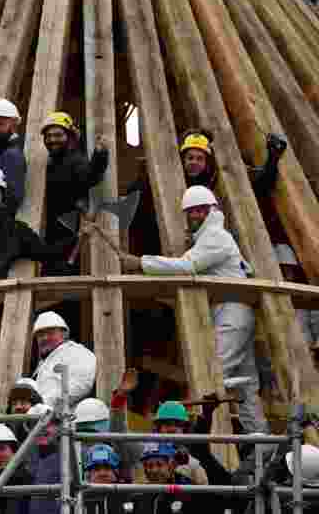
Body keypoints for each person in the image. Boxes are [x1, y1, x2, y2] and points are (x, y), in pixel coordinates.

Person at [111, 186, 268, 433]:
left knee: (213, 376)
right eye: (190, 211)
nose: (194, 215)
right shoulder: (211, 237)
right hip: (234, 313)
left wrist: (140, 262)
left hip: (232, 314)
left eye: (199, 211)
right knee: (245, 385)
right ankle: (262, 440)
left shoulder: (215, 236)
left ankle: (209, 440)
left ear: (211, 210)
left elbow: (188, 265)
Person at [42, 112, 109, 274]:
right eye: (48, 136)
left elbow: (90, 176)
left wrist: (100, 155)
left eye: (58, 135)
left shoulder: (74, 159)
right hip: (52, 230)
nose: (52, 140)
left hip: (66, 233)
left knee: (61, 275)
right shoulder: (54, 159)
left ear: (69, 136)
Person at [30, 311, 96, 409]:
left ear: (64, 334)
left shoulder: (77, 352)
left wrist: (44, 403)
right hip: (41, 418)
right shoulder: (43, 364)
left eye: (50, 333)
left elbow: (82, 384)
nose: (44, 338)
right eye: (40, 335)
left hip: (67, 419)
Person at [0, 97, 26, 214]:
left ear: (13, 126)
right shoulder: (2, 152)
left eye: (0, 124)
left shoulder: (11, 155)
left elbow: (12, 198)